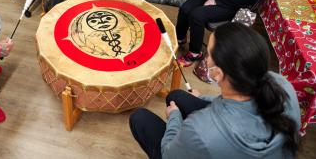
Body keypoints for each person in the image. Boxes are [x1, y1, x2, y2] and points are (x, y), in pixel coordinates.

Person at [129, 23, 300, 159]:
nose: (206, 58)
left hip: (206, 140)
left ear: (218, 73)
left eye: (208, 54)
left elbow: (168, 154)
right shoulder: (280, 84)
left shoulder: (200, 131)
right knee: (176, 96)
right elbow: (237, 103)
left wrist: (175, 118)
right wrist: (202, 98)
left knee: (139, 117)